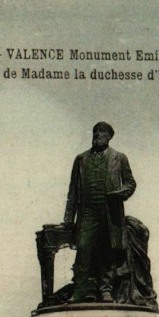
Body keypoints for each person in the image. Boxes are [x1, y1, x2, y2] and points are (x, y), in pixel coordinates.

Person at [64, 122, 136, 303]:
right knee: (83, 249)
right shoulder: (81, 159)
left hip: (109, 212)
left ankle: (105, 289)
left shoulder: (119, 158)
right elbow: (73, 191)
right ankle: (79, 289)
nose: (98, 135)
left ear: (110, 136)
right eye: (96, 131)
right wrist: (68, 218)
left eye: (102, 132)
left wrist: (119, 193)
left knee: (107, 251)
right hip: (87, 211)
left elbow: (130, 183)